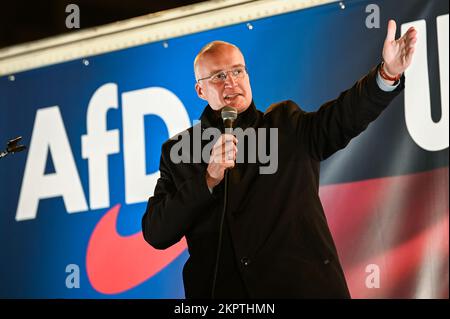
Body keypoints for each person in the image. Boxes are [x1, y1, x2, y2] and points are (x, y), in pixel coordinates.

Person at [142, 20, 417, 298]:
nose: (232, 83)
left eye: (238, 71)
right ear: (200, 91)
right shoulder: (180, 152)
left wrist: (387, 75)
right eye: (218, 76)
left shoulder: (286, 124)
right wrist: (208, 180)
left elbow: (343, 116)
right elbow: (156, 232)